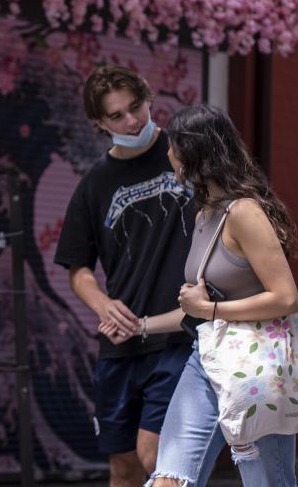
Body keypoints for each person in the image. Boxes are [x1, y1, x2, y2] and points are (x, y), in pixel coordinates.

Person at [99, 103, 298, 487]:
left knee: (269, 482)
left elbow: (286, 298)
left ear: (193, 153)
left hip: (257, 364)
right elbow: (197, 311)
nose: (169, 155)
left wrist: (209, 308)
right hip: (205, 358)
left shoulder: (245, 213)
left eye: (173, 147)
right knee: (168, 479)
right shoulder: (205, 214)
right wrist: (140, 325)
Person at [54, 65, 196, 487]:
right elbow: (77, 269)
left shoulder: (186, 152)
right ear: (100, 122)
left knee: (158, 461)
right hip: (122, 343)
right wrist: (103, 306)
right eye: (117, 115)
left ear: (149, 98)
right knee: (124, 468)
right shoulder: (93, 185)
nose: (131, 120)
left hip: (180, 337)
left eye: (135, 107)